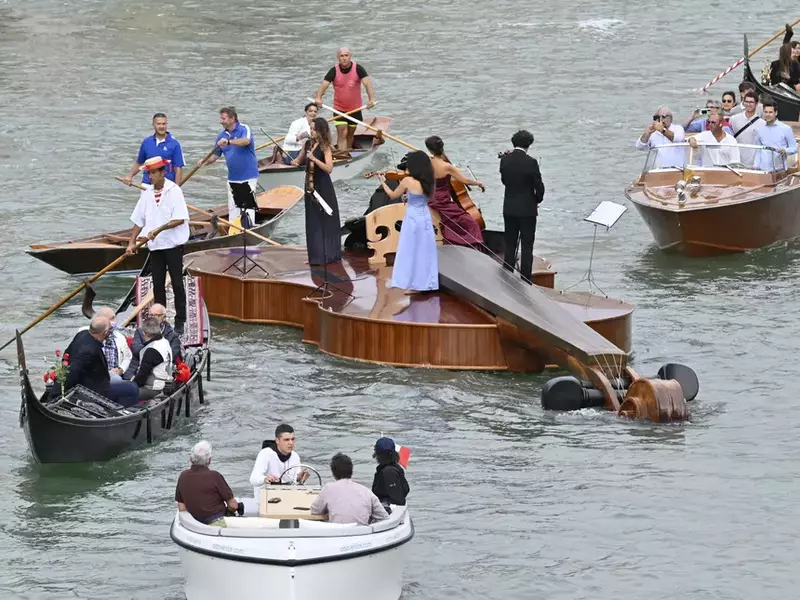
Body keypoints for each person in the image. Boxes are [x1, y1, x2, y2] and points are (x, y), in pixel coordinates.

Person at [126, 156, 190, 335]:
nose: (151, 177)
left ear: (163, 172)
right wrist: (132, 242)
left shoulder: (174, 191)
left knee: (177, 283)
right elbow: (138, 220)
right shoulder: (147, 194)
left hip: (173, 245)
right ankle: (161, 320)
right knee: (158, 284)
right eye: (149, 173)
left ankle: (180, 320)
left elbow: (179, 219)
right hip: (155, 246)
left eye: (153, 173)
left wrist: (159, 229)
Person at [377, 151, 439, 293]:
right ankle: (427, 283)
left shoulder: (407, 181)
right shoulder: (429, 180)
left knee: (410, 250)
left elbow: (393, 195)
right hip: (425, 216)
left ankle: (413, 283)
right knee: (425, 250)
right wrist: (409, 197)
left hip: (412, 218)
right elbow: (423, 197)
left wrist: (382, 181)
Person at [291, 118, 342, 265]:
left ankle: (329, 255)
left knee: (325, 220)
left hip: (323, 185)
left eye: (313, 129)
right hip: (310, 185)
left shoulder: (325, 146)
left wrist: (314, 158)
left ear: (320, 130)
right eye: (311, 128)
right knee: (312, 221)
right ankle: (315, 256)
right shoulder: (307, 144)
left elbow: (329, 168)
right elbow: (299, 160)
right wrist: (295, 162)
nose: (311, 131)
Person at [198, 107, 259, 228]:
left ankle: (248, 229)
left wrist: (229, 142)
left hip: (248, 175)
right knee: (233, 207)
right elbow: (215, 156)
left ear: (232, 119)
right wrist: (204, 161)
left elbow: (246, 141)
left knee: (247, 207)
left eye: (223, 118)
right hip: (232, 177)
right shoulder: (221, 135)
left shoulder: (244, 129)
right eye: (221, 118)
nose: (221, 121)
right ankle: (234, 229)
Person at [63, 314, 140, 407]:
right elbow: (73, 372)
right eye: (110, 330)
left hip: (93, 382)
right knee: (132, 388)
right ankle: (121, 416)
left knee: (123, 383)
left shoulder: (81, 334)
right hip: (93, 391)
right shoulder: (89, 351)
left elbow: (66, 354)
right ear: (106, 332)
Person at [500, 130, 545, 285]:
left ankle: (507, 273)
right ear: (529, 144)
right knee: (527, 244)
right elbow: (538, 186)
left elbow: (504, 181)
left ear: (513, 142)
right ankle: (525, 279)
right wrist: (537, 199)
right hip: (527, 209)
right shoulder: (531, 162)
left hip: (509, 206)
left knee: (510, 242)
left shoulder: (504, 160)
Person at [424, 135, 485, 247]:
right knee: (471, 224)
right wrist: (478, 183)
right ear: (442, 147)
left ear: (429, 149)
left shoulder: (427, 163)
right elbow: (464, 180)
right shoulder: (446, 166)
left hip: (430, 198)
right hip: (442, 201)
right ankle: (474, 247)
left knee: (450, 221)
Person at [314, 48, 376, 150]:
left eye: (346, 55)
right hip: (339, 109)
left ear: (350, 56)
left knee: (350, 135)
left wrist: (371, 100)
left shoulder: (358, 68)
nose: (344, 58)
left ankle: (348, 152)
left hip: (355, 109)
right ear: (338, 57)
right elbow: (324, 85)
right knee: (342, 132)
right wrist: (318, 98)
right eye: (341, 56)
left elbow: (367, 84)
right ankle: (343, 156)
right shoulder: (333, 70)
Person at [310, 453, 388, 525]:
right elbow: (384, 517)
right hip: (363, 534)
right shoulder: (366, 492)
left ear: (333, 472)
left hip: (336, 534)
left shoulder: (328, 488)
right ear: (352, 470)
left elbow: (315, 510)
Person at [175, 440, 240, 527]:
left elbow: (181, 507)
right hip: (216, 522)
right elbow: (233, 505)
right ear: (209, 460)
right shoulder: (215, 476)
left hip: (194, 523)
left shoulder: (183, 476)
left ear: (191, 459)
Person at [122, 113, 185, 186]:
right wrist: (129, 176)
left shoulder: (175, 144)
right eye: (158, 124)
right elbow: (139, 162)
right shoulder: (147, 142)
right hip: (147, 184)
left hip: (167, 185)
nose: (161, 126)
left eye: (164, 124)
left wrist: (176, 188)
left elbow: (178, 168)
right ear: (153, 125)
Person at [249, 424, 309, 500]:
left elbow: (294, 483)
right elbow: (253, 479)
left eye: (293, 439)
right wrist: (265, 479)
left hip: (287, 498)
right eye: (286, 440)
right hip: (266, 500)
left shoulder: (295, 456)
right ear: (277, 440)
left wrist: (299, 479)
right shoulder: (265, 454)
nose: (291, 443)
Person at [123, 303, 182, 380]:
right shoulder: (140, 331)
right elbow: (136, 349)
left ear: (163, 317)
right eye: (150, 315)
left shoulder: (173, 335)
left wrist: (150, 355)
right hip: (135, 369)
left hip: (161, 372)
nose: (152, 318)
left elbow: (171, 355)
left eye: (155, 315)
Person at [131, 317, 174, 401]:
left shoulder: (151, 350)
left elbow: (142, 377)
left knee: (122, 392)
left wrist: (131, 385)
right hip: (165, 383)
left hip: (153, 389)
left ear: (145, 333)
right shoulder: (164, 341)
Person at [754, 95, 798, 171]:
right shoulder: (759, 129)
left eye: (770, 112)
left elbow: (794, 148)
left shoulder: (786, 129)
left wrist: (785, 150)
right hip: (762, 169)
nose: (768, 114)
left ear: (776, 113)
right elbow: (758, 150)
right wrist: (756, 166)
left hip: (780, 169)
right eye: (766, 112)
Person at [371, 437, 409, 512]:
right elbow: (406, 489)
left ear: (377, 454)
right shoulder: (396, 468)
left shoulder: (388, 472)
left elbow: (397, 499)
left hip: (388, 511)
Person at [729, 91, 765, 167]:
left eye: (751, 102)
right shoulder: (733, 119)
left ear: (757, 103)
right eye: (746, 102)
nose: (748, 104)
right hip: (736, 160)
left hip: (753, 163)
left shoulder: (762, 124)